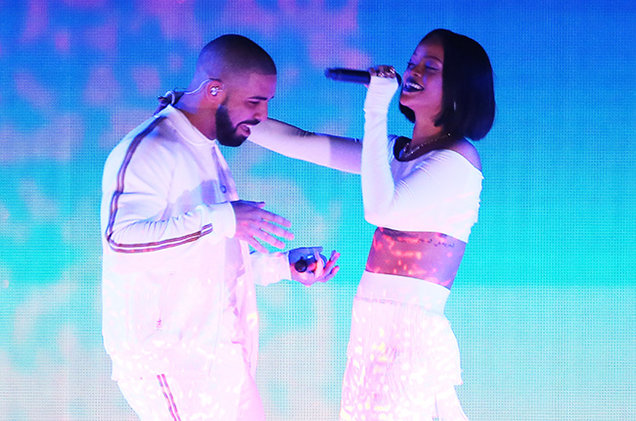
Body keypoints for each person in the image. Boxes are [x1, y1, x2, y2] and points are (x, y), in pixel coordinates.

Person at [248, 28, 495, 420]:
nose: (412, 71)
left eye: (430, 67)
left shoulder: (458, 160)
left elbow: (381, 211)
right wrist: (224, 115)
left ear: (459, 87)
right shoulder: (401, 151)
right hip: (371, 326)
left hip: (409, 333)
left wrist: (375, 109)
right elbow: (301, 141)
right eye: (412, 63)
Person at [100, 34, 340, 421]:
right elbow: (121, 242)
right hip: (169, 360)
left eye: (266, 102)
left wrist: (282, 266)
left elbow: (206, 261)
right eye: (254, 101)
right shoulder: (151, 148)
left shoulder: (205, 148)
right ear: (214, 90)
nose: (261, 115)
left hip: (220, 356)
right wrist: (222, 218)